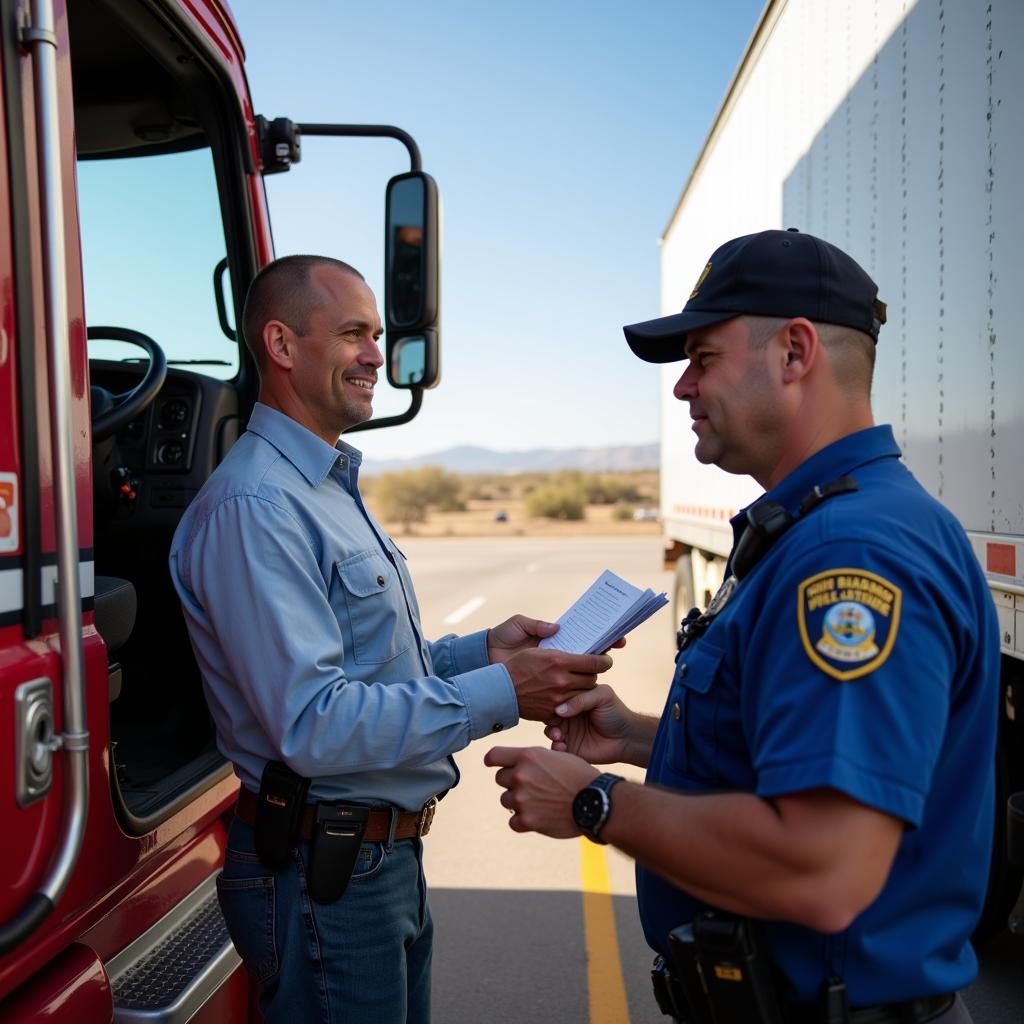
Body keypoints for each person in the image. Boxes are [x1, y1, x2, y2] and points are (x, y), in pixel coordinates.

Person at [486, 229, 998, 1024]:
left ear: (794, 353)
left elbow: (822, 869)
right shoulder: (823, 525)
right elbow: (793, 759)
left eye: (703, 357)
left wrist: (596, 803)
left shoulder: (849, 553)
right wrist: (636, 739)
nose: (684, 387)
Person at [169, 254, 613, 1024]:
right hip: (325, 875)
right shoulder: (257, 508)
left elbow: (369, 669)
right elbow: (313, 723)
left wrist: (486, 653)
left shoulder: (320, 488)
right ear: (280, 345)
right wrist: (508, 692)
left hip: (374, 862)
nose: (377, 354)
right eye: (352, 334)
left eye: (376, 334)